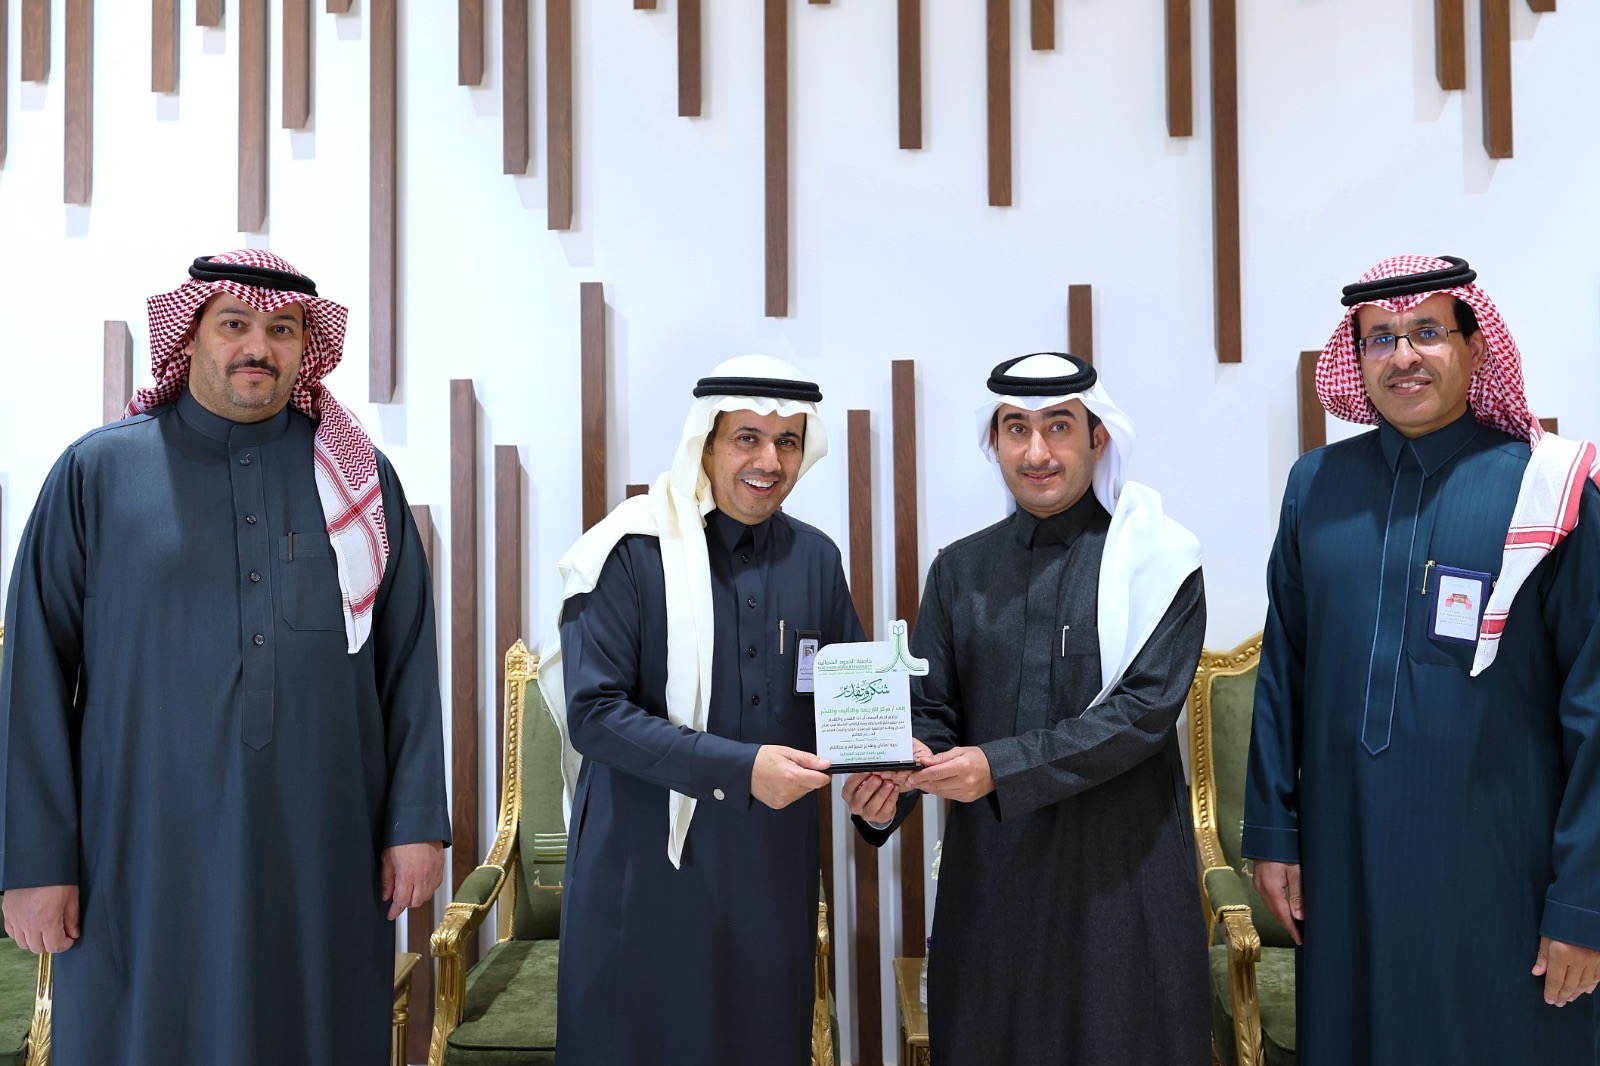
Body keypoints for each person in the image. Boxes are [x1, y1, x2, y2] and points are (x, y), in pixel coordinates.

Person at [0, 250, 450, 1066]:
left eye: (283, 331)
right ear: (190, 336)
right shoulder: (96, 474)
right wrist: (35, 863)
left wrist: (416, 823)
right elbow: (32, 675)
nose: (258, 347)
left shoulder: (354, 480)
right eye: (235, 324)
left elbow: (407, 659)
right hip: (137, 852)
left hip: (321, 843)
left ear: (306, 347)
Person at [1243, 255, 1600, 1063]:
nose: (1402, 356)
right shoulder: (1315, 486)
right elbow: (1283, 674)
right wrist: (1274, 832)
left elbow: (1596, 705)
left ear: (1476, 347)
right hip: (1345, 858)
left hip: (1501, 869)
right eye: (1380, 338)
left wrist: (1584, 902)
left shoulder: (1548, 490)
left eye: (1428, 332)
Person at [844, 352, 1211, 1064]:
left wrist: (997, 767)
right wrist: (889, 788)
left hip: (1121, 879)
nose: (1036, 452)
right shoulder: (960, 570)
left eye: (1058, 427)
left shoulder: (1160, 563)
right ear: (995, 442)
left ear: (1098, 437)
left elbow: (1142, 712)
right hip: (995, 881)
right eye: (1016, 428)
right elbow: (930, 711)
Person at [539, 356, 892, 1065]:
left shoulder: (816, 559)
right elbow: (595, 714)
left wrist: (880, 793)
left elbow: (851, 706)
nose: (769, 461)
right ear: (705, 444)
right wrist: (741, 769)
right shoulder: (628, 551)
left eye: (787, 441)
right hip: (644, 865)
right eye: (747, 438)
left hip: (769, 873)